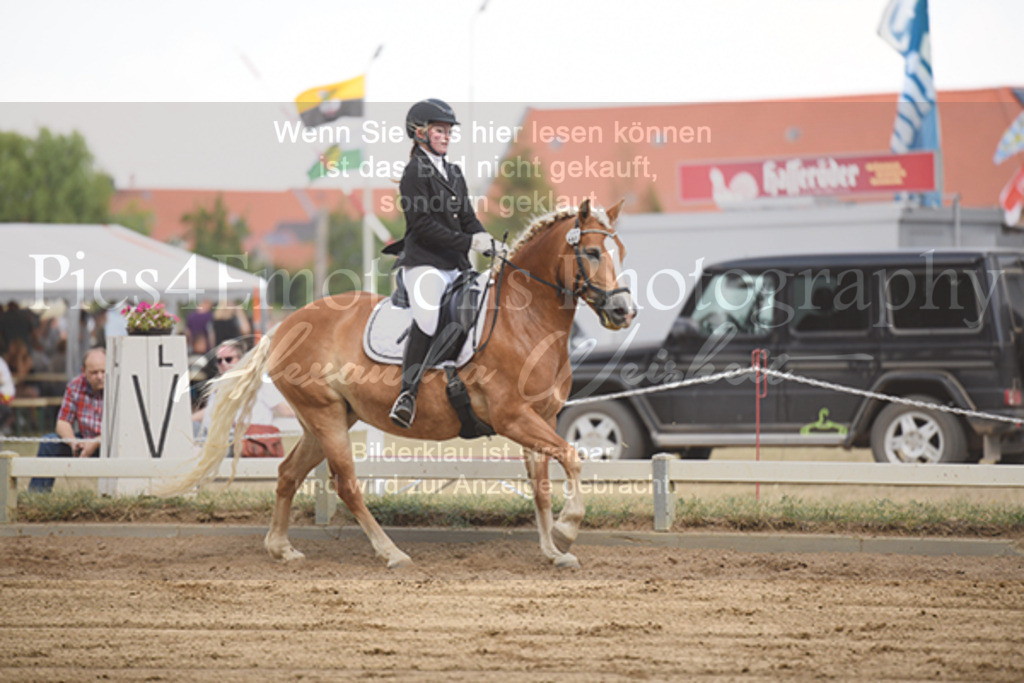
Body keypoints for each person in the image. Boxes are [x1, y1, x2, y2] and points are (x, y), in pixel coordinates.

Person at [382, 98, 505, 428]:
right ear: (420, 133)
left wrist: (489, 242)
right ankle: (407, 394)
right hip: (424, 265)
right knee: (428, 315)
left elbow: (467, 218)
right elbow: (422, 225)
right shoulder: (413, 173)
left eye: (449, 130)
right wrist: (469, 243)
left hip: (455, 264)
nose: (447, 135)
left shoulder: (453, 172)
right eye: (440, 130)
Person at [28, 347, 106, 492]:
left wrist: (96, 442)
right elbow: (63, 422)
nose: (100, 376)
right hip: (84, 440)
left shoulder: (119, 386)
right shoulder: (75, 386)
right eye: (94, 373)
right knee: (48, 442)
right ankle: (36, 498)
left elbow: (123, 430)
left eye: (103, 371)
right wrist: (73, 442)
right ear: (84, 371)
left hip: (111, 443)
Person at [192, 340, 294, 442]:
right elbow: (209, 410)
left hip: (246, 440)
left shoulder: (259, 383)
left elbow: (285, 410)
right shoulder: (217, 385)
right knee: (192, 428)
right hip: (218, 437)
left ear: (241, 360)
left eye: (228, 359)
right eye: (219, 360)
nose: (223, 363)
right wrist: (185, 420)